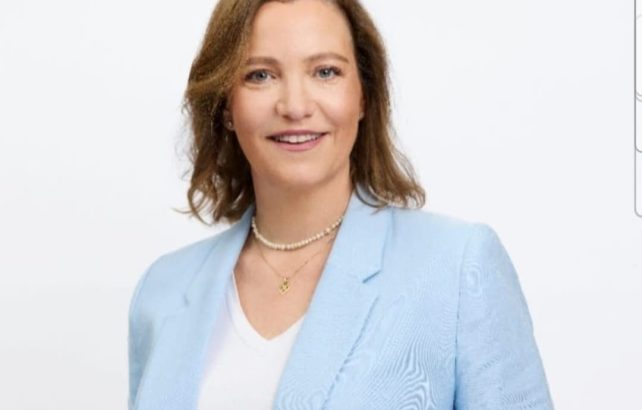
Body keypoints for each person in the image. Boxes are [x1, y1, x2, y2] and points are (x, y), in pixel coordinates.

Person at [128, 0, 554, 409]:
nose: (295, 106)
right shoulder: (162, 289)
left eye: (325, 72)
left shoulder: (457, 267)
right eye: (260, 75)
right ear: (225, 106)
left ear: (364, 95)